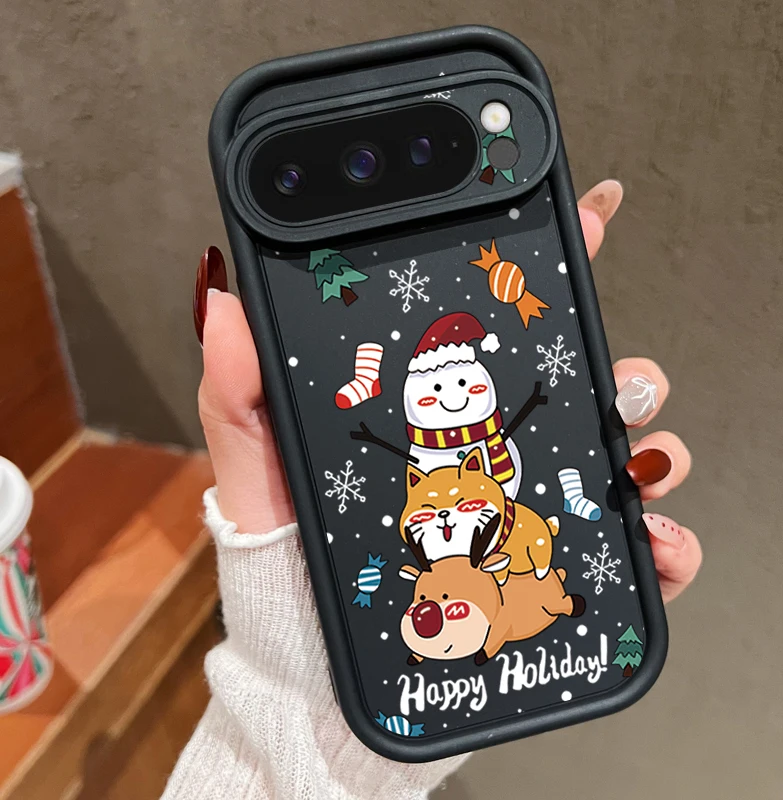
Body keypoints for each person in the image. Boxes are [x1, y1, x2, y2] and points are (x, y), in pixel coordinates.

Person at [163, 180, 702, 799]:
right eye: (439, 388)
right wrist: (309, 698)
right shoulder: (421, 461)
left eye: (463, 386)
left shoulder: (491, 437)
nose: (452, 398)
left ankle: (532, 591)